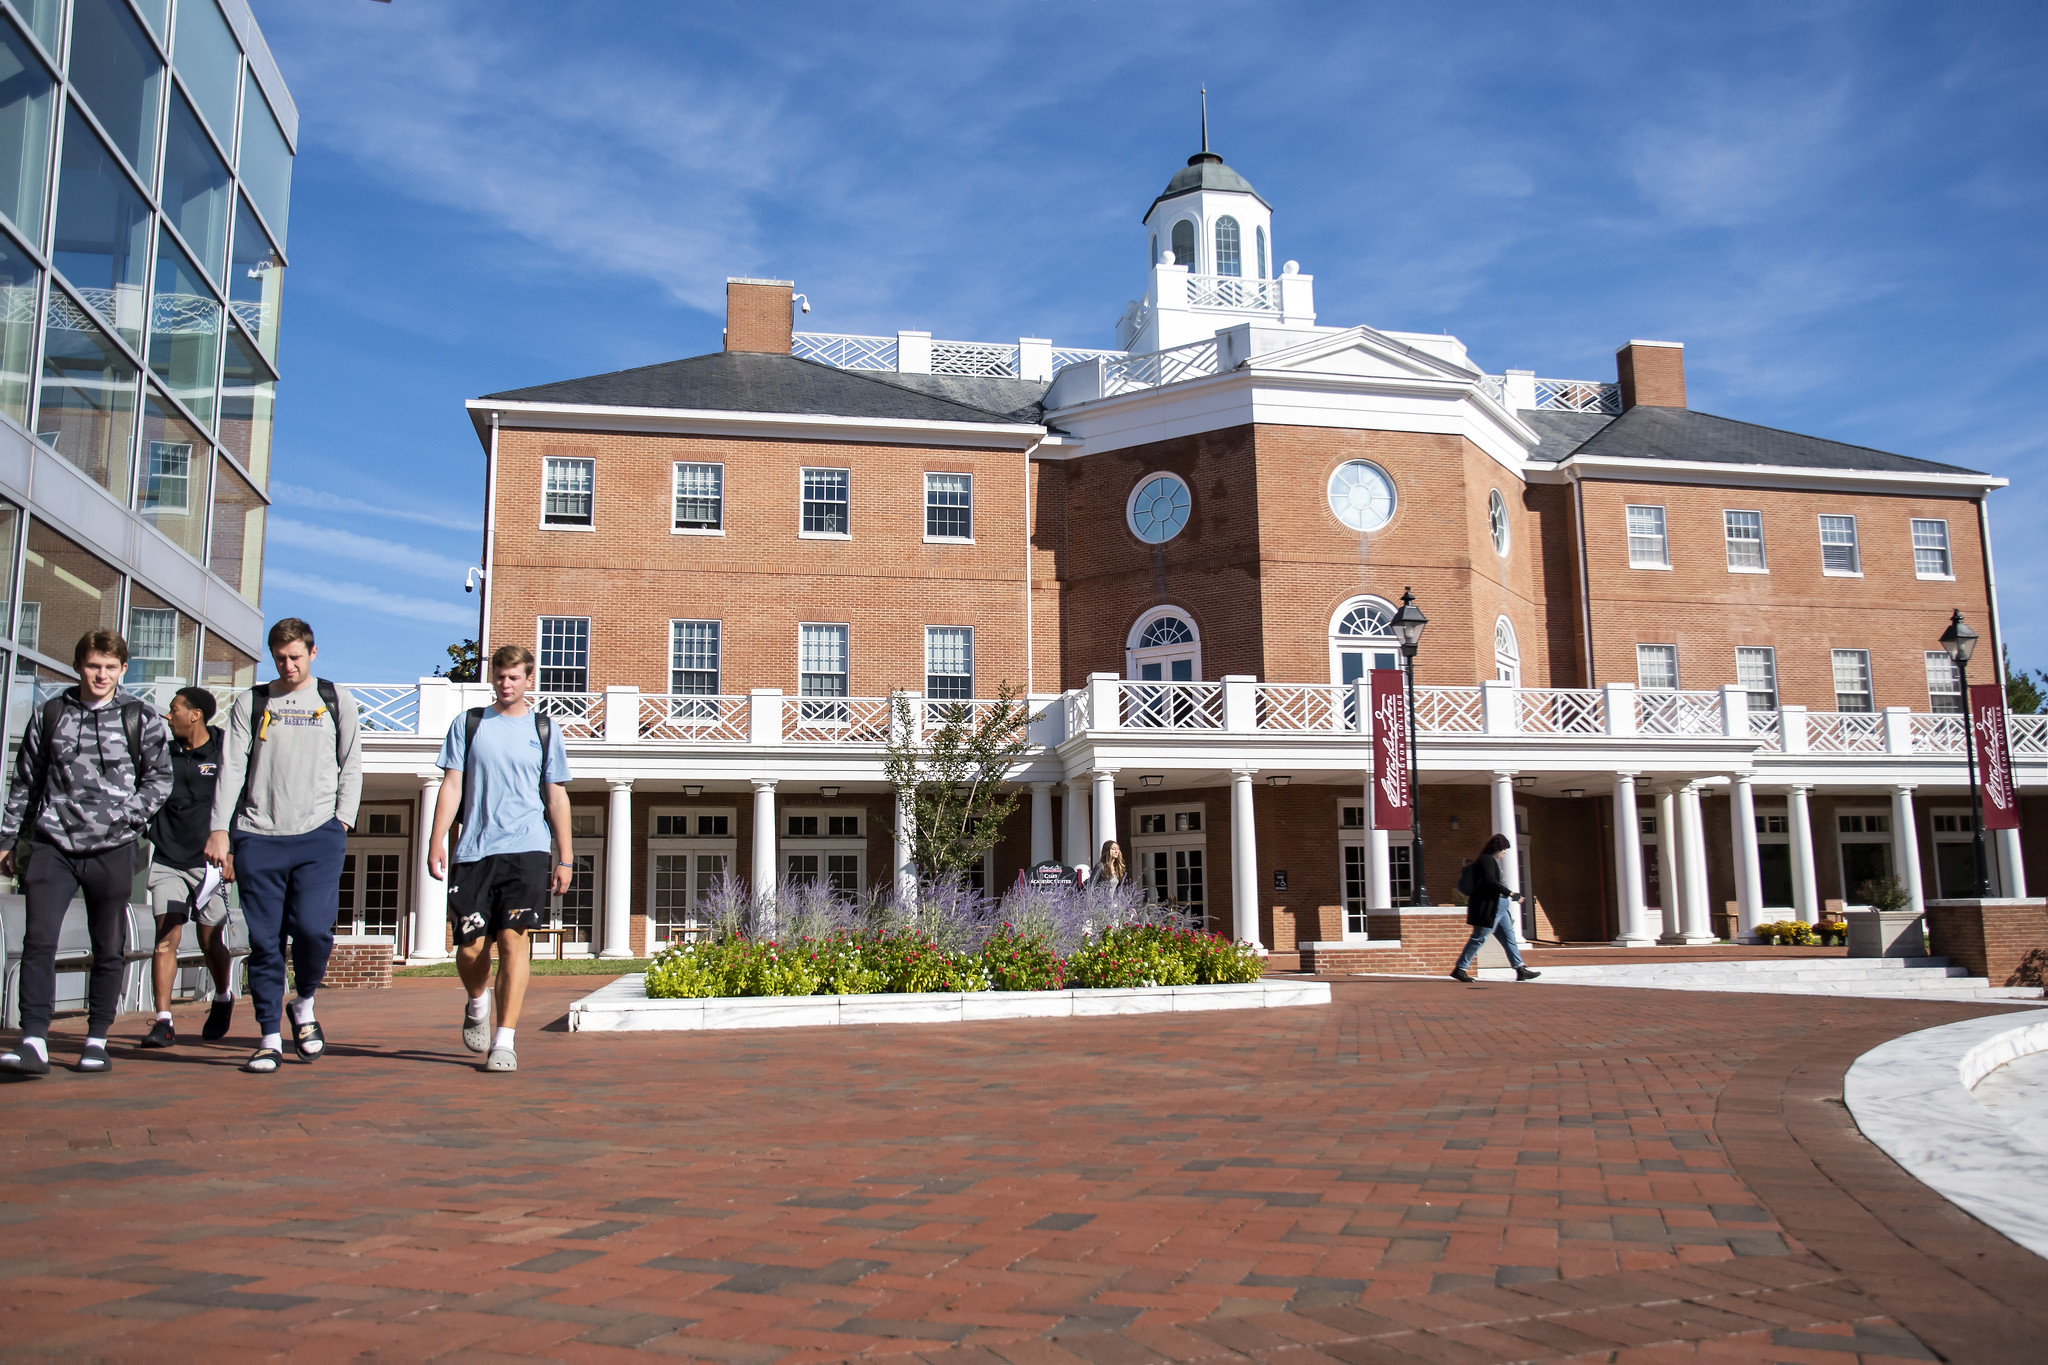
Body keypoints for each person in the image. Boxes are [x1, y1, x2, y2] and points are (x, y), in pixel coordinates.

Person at [0, 632, 173, 1076]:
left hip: (112, 849)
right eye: (94, 665)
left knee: (107, 946)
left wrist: (125, 818)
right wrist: (6, 839)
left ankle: (96, 1039)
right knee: (38, 941)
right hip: (52, 843)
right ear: (79, 665)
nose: (102, 674)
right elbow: (25, 781)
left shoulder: (141, 717)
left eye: (111, 667)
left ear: (122, 670)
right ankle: (34, 1040)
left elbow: (159, 780)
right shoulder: (52, 713)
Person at [205, 618, 362, 1074]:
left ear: (313, 653)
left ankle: (305, 1002)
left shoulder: (335, 700)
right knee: (265, 942)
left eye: (295, 657)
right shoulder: (252, 702)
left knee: (314, 930)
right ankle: (269, 1038)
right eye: (280, 658)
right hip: (259, 836)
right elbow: (232, 767)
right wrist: (220, 829)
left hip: (318, 834)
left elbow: (350, 763)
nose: (288, 665)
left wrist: (342, 821)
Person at [426, 644, 573, 1073]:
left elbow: (556, 796)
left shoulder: (545, 729)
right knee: (471, 948)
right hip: (474, 849)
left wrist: (564, 857)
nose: (506, 684)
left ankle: (504, 1040)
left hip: (526, 848)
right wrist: (438, 839)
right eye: (500, 677)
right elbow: (451, 785)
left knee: (513, 940)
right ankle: (477, 1000)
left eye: (514, 677)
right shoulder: (470, 724)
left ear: (529, 680)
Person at [139, 687, 235, 1049]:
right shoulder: (161, 753)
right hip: (168, 860)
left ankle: (223, 997)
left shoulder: (227, 750)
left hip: (210, 863)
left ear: (195, 714)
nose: (168, 715)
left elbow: (240, 803)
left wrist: (231, 853)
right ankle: (163, 1021)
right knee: (166, 939)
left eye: (174, 709)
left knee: (210, 941)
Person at [1450, 834, 1541, 984]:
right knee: (1480, 937)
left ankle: (1520, 969)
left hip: (1500, 905)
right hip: (1492, 905)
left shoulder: (1489, 860)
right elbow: (1489, 881)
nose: (1504, 853)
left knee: (1509, 938)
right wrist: (1510, 893)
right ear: (1497, 848)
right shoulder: (1486, 860)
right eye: (1504, 849)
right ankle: (1460, 968)